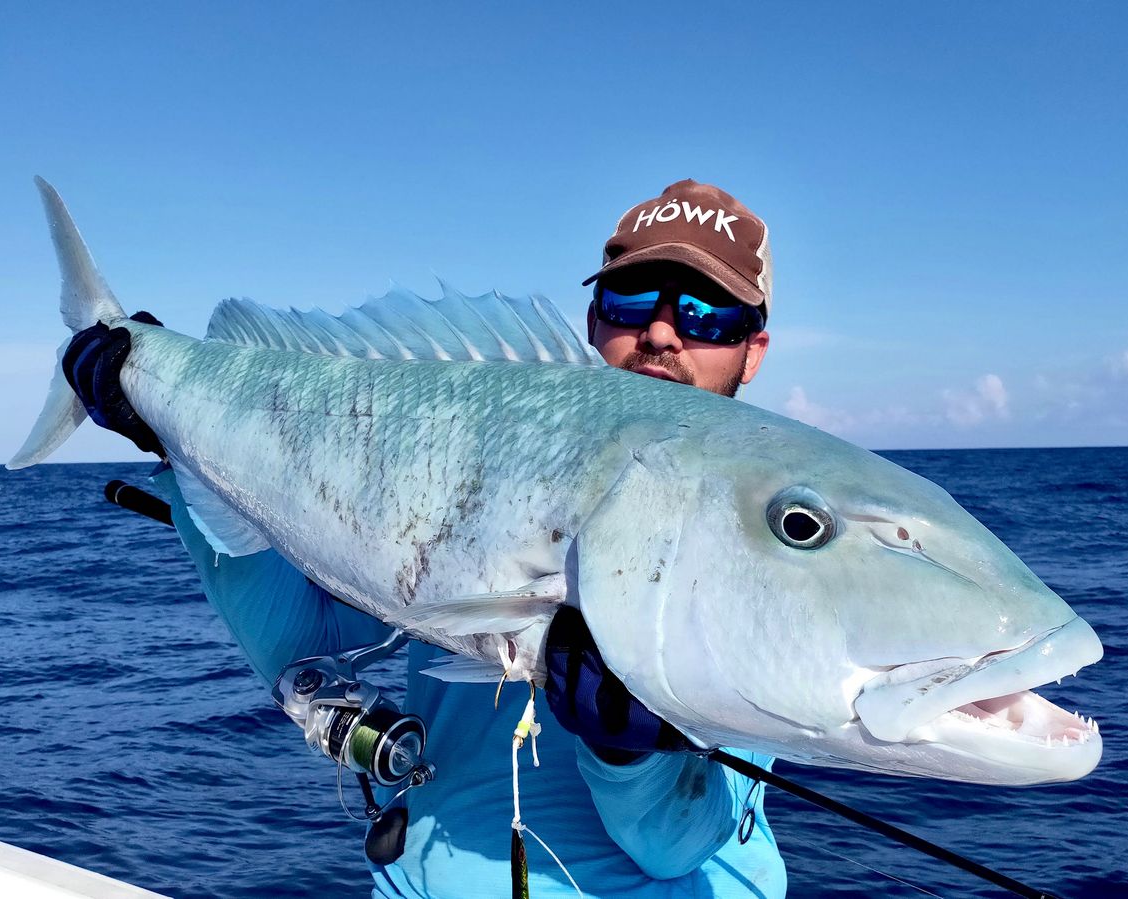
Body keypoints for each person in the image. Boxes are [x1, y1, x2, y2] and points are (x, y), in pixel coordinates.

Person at [63, 179, 787, 898]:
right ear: (596, 321)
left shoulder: (766, 547)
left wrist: (625, 749)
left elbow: (674, 847)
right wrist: (183, 446)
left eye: (706, 313)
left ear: (752, 350)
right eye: (634, 301)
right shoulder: (486, 461)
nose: (662, 332)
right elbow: (305, 636)